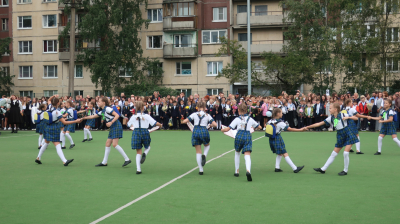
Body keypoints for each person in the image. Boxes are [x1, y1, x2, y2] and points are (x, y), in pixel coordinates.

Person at [306, 103, 359, 176]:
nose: (329, 109)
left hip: (348, 134)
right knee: (334, 153)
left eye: (330, 108)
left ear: (335, 109)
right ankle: (323, 169)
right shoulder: (330, 118)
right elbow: (319, 124)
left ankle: (345, 170)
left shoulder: (343, 114)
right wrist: (307, 127)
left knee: (345, 153)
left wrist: (348, 117)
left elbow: (356, 118)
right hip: (340, 135)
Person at [81, 96, 131, 167]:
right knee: (107, 144)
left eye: (99, 101)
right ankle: (104, 162)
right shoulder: (102, 111)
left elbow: (117, 115)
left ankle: (127, 159)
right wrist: (83, 118)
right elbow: (93, 116)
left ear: (103, 103)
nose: (98, 103)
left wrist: (111, 122)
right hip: (113, 126)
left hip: (116, 125)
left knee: (114, 144)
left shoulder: (107, 108)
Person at [35, 96, 81, 166]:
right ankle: (64, 161)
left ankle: (38, 158)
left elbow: (50, 100)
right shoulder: (57, 112)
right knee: (57, 144)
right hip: (54, 128)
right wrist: (76, 121)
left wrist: (53, 97)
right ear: (58, 103)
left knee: (46, 143)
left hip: (46, 127)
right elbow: (64, 123)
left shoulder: (48, 107)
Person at [221, 103, 261, 182]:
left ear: (238, 110)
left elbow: (228, 129)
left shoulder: (237, 119)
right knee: (247, 154)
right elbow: (259, 127)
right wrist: (257, 127)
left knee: (237, 152)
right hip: (247, 136)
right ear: (246, 110)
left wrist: (222, 130)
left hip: (239, 135)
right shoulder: (250, 119)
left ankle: (237, 171)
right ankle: (248, 170)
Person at [181, 101, 217, 175]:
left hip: (196, 131)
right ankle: (205, 155)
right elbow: (215, 125)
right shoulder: (207, 115)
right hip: (204, 130)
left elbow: (185, 121)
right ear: (204, 108)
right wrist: (210, 125)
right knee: (207, 145)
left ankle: (201, 170)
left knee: (198, 151)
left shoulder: (194, 114)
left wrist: (183, 120)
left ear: (197, 107)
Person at [127, 101, 162, 174]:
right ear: (143, 107)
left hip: (136, 132)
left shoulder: (133, 116)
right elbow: (155, 123)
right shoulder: (146, 116)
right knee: (148, 146)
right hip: (145, 132)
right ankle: (145, 153)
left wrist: (132, 125)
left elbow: (128, 125)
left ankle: (138, 169)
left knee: (138, 151)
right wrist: (160, 125)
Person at [267, 108, 305, 173]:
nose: (282, 114)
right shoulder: (280, 122)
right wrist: (300, 130)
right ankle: (295, 168)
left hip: (271, 139)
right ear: (278, 114)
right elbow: (289, 128)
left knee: (280, 153)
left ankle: (277, 167)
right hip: (277, 138)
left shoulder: (270, 121)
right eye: (281, 113)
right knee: (284, 153)